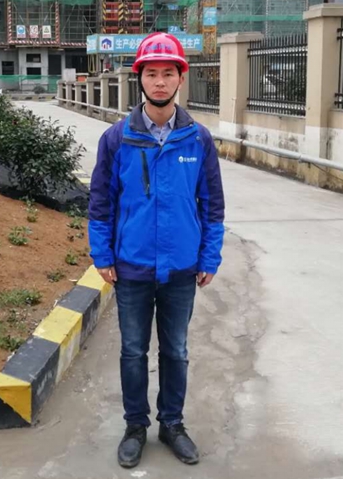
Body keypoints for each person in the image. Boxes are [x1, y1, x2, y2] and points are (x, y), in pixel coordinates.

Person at [88, 32, 225, 468]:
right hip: (132, 266)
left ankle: (172, 424)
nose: (160, 81)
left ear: (181, 78)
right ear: (140, 79)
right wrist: (102, 255)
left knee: (176, 351)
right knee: (133, 351)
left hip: (181, 267)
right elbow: (101, 202)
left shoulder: (198, 140)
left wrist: (209, 256)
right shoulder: (117, 139)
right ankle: (135, 427)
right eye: (152, 73)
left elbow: (212, 204)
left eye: (168, 73)